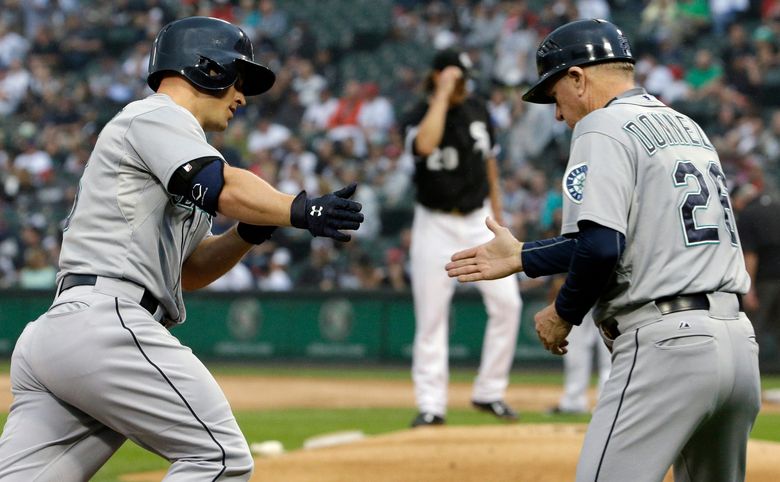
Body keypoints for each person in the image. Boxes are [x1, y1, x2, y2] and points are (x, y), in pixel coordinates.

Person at [0, 16, 363, 481]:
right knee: (220, 458)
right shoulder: (157, 115)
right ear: (206, 68)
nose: (242, 96)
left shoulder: (166, 141)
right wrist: (301, 210)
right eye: (237, 78)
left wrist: (247, 233)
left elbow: (188, 273)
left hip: (66, 334)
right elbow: (218, 182)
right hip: (105, 322)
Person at [446, 19, 760, 482]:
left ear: (577, 77)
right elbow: (626, 237)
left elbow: (599, 247)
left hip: (668, 345)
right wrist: (525, 256)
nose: (557, 114)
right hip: (738, 343)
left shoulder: (600, 125)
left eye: (555, 96)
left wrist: (562, 313)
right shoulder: (688, 127)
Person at [402, 48, 522, 428]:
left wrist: (499, 217)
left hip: (477, 219)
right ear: (437, 76)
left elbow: (490, 164)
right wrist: (441, 92)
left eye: (465, 79)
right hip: (434, 222)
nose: (462, 86)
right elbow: (424, 145)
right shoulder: (417, 114)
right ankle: (431, 405)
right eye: (456, 78)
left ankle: (490, 391)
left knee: (508, 304)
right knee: (432, 317)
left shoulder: (479, 110)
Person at [734, 181, 780, 370]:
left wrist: (749, 288)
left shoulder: (748, 214)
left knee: (754, 329)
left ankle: (751, 372)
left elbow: (750, 255)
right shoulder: (777, 206)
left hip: (764, 281)